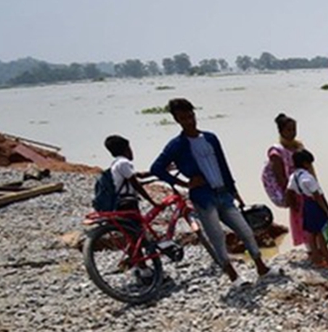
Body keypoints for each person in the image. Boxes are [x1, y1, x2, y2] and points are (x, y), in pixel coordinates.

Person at [151, 98, 269, 281]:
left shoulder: (210, 138)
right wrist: (184, 184)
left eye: (191, 116)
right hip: (203, 198)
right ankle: (233, 276)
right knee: (217, 238)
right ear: (177, 120)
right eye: (184, 118)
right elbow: (156, 168)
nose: (189, 121)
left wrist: (234, 191)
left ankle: (261, 267)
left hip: (223, 193)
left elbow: (223, 165)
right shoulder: (176, 145)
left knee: (245, 231)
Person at [286, 150, 328, 267]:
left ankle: (317, 260)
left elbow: (288, 191)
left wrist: (293, 205)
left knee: (311, 234)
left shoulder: (293, 177)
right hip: (315, 206)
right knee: (321, 235)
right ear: (305, 163)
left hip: (305, 205)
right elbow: (318, 197)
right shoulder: (308, 178)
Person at [263, 113, 308, 248]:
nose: (292, 133)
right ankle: (309, 246)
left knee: (309, 213)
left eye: (294, 129)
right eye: (289, 130)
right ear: (281, 131)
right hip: (291, 189)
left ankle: (314, 244)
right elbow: (281, 177)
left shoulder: (298, 146)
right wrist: (289, 195)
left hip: (302, 185)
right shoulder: (277, 152)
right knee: (300, 216)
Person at [104, 134, 158, 211]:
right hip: (127, 203)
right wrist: (152, 202)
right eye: (129, 148)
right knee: (136, 223)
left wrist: (159, 171)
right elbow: (136, 184)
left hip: (119, 201)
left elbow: (140, 175)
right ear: (126, 150)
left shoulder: (116, 163)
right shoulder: (124, 163)